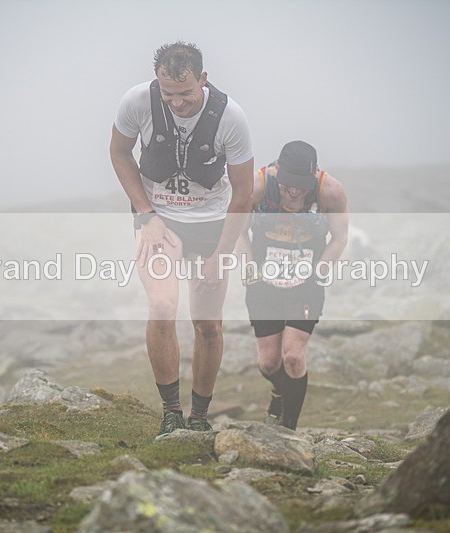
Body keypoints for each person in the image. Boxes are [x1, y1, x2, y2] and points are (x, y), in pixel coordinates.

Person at [109, 42, 254, 439]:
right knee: (161, 307)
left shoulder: (231, 117)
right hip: (160, 219)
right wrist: (146, 214)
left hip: (211, 224)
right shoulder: (137, 101)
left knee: (207, 324)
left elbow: (243, 194)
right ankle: (171, 412)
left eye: (186, 94)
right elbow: (120, 153)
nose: (177, 103)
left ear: (203, 79)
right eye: (168, 94)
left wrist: (220, 255)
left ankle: (200, 415)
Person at [236, 140, 348, 430]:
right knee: (269, 363)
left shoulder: (330, 191)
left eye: (301, 185)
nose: (294, 192)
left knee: (294, 358)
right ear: (277, 172)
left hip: (305, 281)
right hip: (264, 279)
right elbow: (237, 230)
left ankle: (289, 430)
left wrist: (321, 271)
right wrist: (248, 266)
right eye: (287, 185)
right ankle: (279, 392)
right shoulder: (257, 185)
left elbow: (339, 237)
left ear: (313, 176)